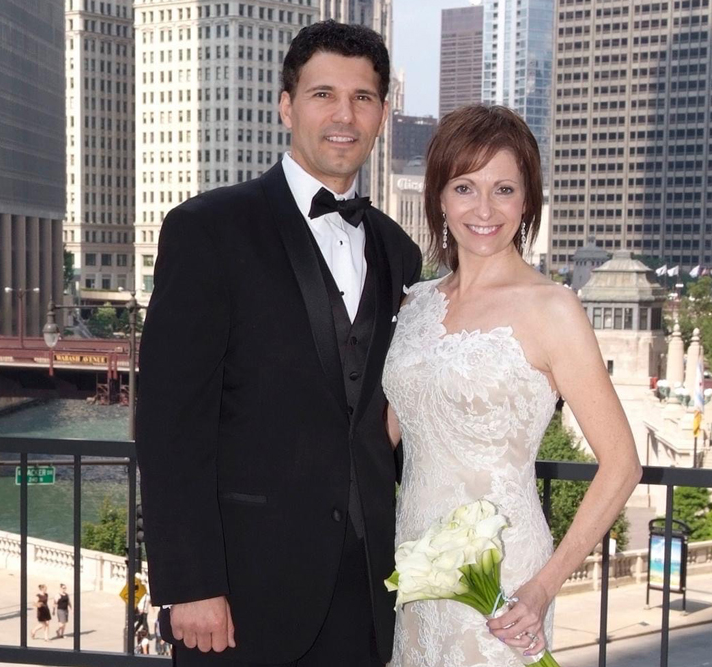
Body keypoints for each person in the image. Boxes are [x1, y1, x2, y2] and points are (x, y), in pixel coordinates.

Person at [135, 19, 422, 667]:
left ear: (381, 114)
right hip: (239, 593)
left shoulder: (398, 250)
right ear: (286, 105)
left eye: (363, 98)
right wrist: (191, 582)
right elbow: (169, 421)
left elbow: (386, 416)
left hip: (368, 588)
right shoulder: (209, 229)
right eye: (323, 94)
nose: (344, 114)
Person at [382, 104, 642, 665]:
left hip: (504, 576)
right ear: (439, 197)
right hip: (418, 567)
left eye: (503, 189)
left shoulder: (553, 308)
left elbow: (622, 463)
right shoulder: (416, 303)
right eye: (464, 187)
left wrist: (544, 585)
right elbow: (383, 438)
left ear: (527, 202)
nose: (483, 209)